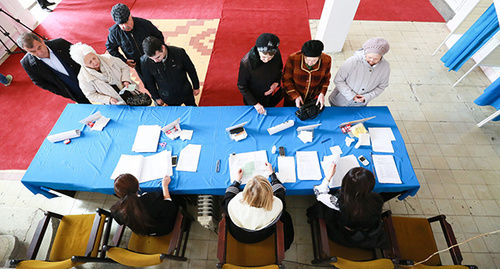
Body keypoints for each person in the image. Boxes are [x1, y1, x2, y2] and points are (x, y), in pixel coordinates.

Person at [306, 163, 389, 250]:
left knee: (320, 208)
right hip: (365, 229)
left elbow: (319, 194)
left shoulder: (340, 202)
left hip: (345, 234)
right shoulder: (377, 198)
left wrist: (328, 177)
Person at [222, 162, 294, 251]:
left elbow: (228, 194)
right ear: (270, 194)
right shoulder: (277, 205)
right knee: (286, 216)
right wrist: (272, 174)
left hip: (238, 235)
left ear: (245, 193)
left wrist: (237, 181)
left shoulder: (233, 204)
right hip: (263, 236)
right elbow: (280, 189)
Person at [18, 33, 90, 104]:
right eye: (32, 52)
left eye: (39, 47)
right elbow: (39, 82)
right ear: (26, 51)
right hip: (74, 92)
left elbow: (81, 57)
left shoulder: (60, 43)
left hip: (90, 80)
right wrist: (62, 92)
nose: (39, 53)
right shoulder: (26, 64)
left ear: (41, 40)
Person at [106, 3, 164, 83]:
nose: (124, 26)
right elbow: (111, 48)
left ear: (130, 16)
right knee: (148, 84)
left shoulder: (145, 24)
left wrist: (158, 54)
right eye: (121, 24)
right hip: (139, 65)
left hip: (154, 59)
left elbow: (159, 36)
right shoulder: (114, 33)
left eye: (126, 22)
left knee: (163, 81)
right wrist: (124, 60)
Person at [110, 174, 180, 236]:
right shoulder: (152, 200)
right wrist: (165, 186)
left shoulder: (116, 210)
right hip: (165, 228)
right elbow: (170, 208)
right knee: (178, 198)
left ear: (118, 194)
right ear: (138, 186)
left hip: (146, 232)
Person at [328, 37, 390, 107]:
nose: (372, 60)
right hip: (340, 102)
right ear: (365, 54)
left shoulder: (385, 66)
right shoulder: (353, 61)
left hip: (360, 105)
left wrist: (367, 97)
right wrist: (351, 95)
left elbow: (382, 86)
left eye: (376, 59)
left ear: (381, 57)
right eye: (369, 57)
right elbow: (338, 80)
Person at [141, 36, 200, 106]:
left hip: (185, 91)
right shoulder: (145, 61)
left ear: (163, 48)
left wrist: (196, 86)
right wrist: (156, 97)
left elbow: (191, 70)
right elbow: (149, 81)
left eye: (158, 57)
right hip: (167, 96)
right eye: (152, 59)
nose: (156, 61)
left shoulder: (179, 53)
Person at [70, 42, 136, 105]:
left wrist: (126, 80)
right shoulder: (83, 77)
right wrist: (108, 99)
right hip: (116, 102)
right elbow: (90, 94)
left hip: (130, 91)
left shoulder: (108, 58)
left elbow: (124, 67)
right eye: (90, 62)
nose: (95, 62)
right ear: (84, 64)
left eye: (94, 58)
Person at [237, 33, 283, 115]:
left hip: (269, 94)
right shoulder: (247, 62)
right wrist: (255, 104)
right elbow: (242, 86)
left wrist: (276, 82)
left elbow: (279, 69)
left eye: (270, 58)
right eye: (263, 57)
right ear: (258, 50)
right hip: (254, 97)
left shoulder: (276, 54)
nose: (266, 60)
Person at [282, 40, 331, 109]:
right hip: (292, 94)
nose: (310, 63)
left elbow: (326, 79)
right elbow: (286, 79)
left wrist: (322, 93)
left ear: (319, 57)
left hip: (311, 96)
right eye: (307, 60)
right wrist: (295, 96)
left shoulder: (327, 60)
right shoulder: (293, 58)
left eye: (314, 60)